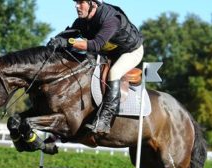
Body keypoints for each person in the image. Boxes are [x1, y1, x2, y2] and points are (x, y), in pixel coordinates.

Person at [47, 0, 144, 134]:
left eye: (81, 2)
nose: (76, 6)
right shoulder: (82, 21)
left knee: (114, 73)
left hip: (130, 51)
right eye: (76, 2)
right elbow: (69, 34)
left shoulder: (111, 19)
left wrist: (69, 42)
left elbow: (95, 45)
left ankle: (105, 119)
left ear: (93, 3)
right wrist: (56, 40)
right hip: (109, 53)